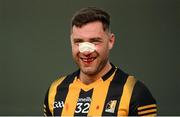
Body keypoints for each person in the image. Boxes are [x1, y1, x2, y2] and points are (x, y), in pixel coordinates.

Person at [43, 7, 157, 116]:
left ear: (111, 41)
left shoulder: (134, 92)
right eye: (78, 42)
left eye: (94, 41)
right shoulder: (56, 91)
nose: (86, 51)